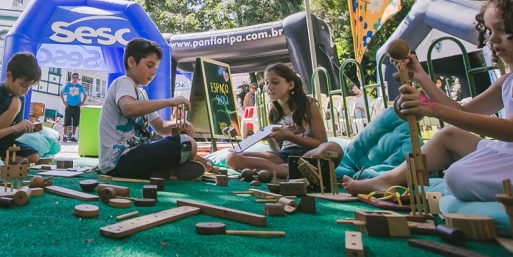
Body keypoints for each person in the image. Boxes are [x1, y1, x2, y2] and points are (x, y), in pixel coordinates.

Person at [344, 0, 513, 201]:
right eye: (490, 31)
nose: (492, 39)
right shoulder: (510, 80)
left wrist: (433, 108)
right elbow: (464, 111)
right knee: (448, 136)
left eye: (504, 31)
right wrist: (421, 77)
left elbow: (512, 130)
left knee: (458, 176)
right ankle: (388, 180)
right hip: (511, 155)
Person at [98, 38, 204, 180]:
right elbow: (128, 108)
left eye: (156, 67)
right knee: (187, 144)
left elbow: (160, 127)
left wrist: (180, 125)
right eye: (149, 65)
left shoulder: (142, 94)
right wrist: (169, 101)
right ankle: (166, 170)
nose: (153, 72)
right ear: (131, 62)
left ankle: (161, 172)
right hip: (119, 160)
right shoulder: (124, 82)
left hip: (134, 158)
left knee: (187, 144)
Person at [226, 63, 343, 178]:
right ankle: (290, 171)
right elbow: (278, 149)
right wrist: (270, 138)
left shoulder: (308, 104)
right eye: (266, 83)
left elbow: (321, 142)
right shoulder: (274, 112)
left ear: (290, 85)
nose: (269, 87)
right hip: (284, 156)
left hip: (310, 154)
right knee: (232, 157)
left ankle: (284, 170)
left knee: (333, 148)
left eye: (275, 82)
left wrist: (289, 136)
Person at [60, 72, 87, 142]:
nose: (75, 79)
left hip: (76, 106)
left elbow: (85, 94)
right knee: (66, 122)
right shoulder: (68, 86)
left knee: (75, 122)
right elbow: (61, 93)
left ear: (78, 78)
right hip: (69, 106)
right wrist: (64, 102)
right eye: (73, 77)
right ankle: (65, 136)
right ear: (71, 78)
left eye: (76, 77)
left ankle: (73, 136)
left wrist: (82, 103)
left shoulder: (80, 87)